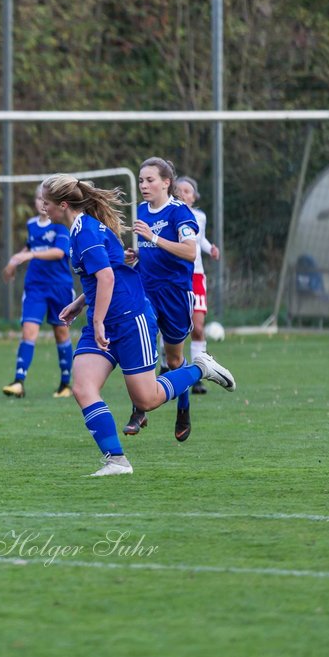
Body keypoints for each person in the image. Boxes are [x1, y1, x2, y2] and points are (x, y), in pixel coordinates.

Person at [43, 174, 235, 477]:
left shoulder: (85, 232)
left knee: (147, 399)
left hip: (130, 319)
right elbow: (106, 273)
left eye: (46, 203)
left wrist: (95, 318)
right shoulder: (81, 229)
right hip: (104, 321)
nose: (43, 208)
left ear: (63, 205)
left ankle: (201, 368)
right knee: (83, 387)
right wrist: (80, 304)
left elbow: (107, 278)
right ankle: (116, 461)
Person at [123, 157, 200, 442]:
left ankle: (184, 408)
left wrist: (153, 241)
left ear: (166, 182)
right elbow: (148, 250)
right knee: (144, 348)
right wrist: (137, 255)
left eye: (149, 180)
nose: (144, 185)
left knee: (175, 359)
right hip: (145, 291)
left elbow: (190, 252)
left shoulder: (180, 213)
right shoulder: (142, 210)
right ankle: (138, 410)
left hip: (176, 295)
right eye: (141, 180)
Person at [1, 184, 76, 399]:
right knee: (28, 332)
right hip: (35, 287)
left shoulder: (60, 225)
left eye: (47, 200)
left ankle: (65, 384)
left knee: (61, 333)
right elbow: (29, 247)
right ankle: (18, 381)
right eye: (39, 199)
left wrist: (30, 255)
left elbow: (59, 252)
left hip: (59, 287)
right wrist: (15, 260)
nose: (42, 204)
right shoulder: (32, 225)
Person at [173, 177, 221, 394]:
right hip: (174, 275)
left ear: (194, 196)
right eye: (180, 190)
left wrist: (210, 248)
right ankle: (169, 365)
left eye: (188, 191)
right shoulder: (170, 214)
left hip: (196, 276)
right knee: (173, 328)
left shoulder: (199, 217)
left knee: (198, 327)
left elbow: (199, 240)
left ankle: (198, 374)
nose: (184, 194)